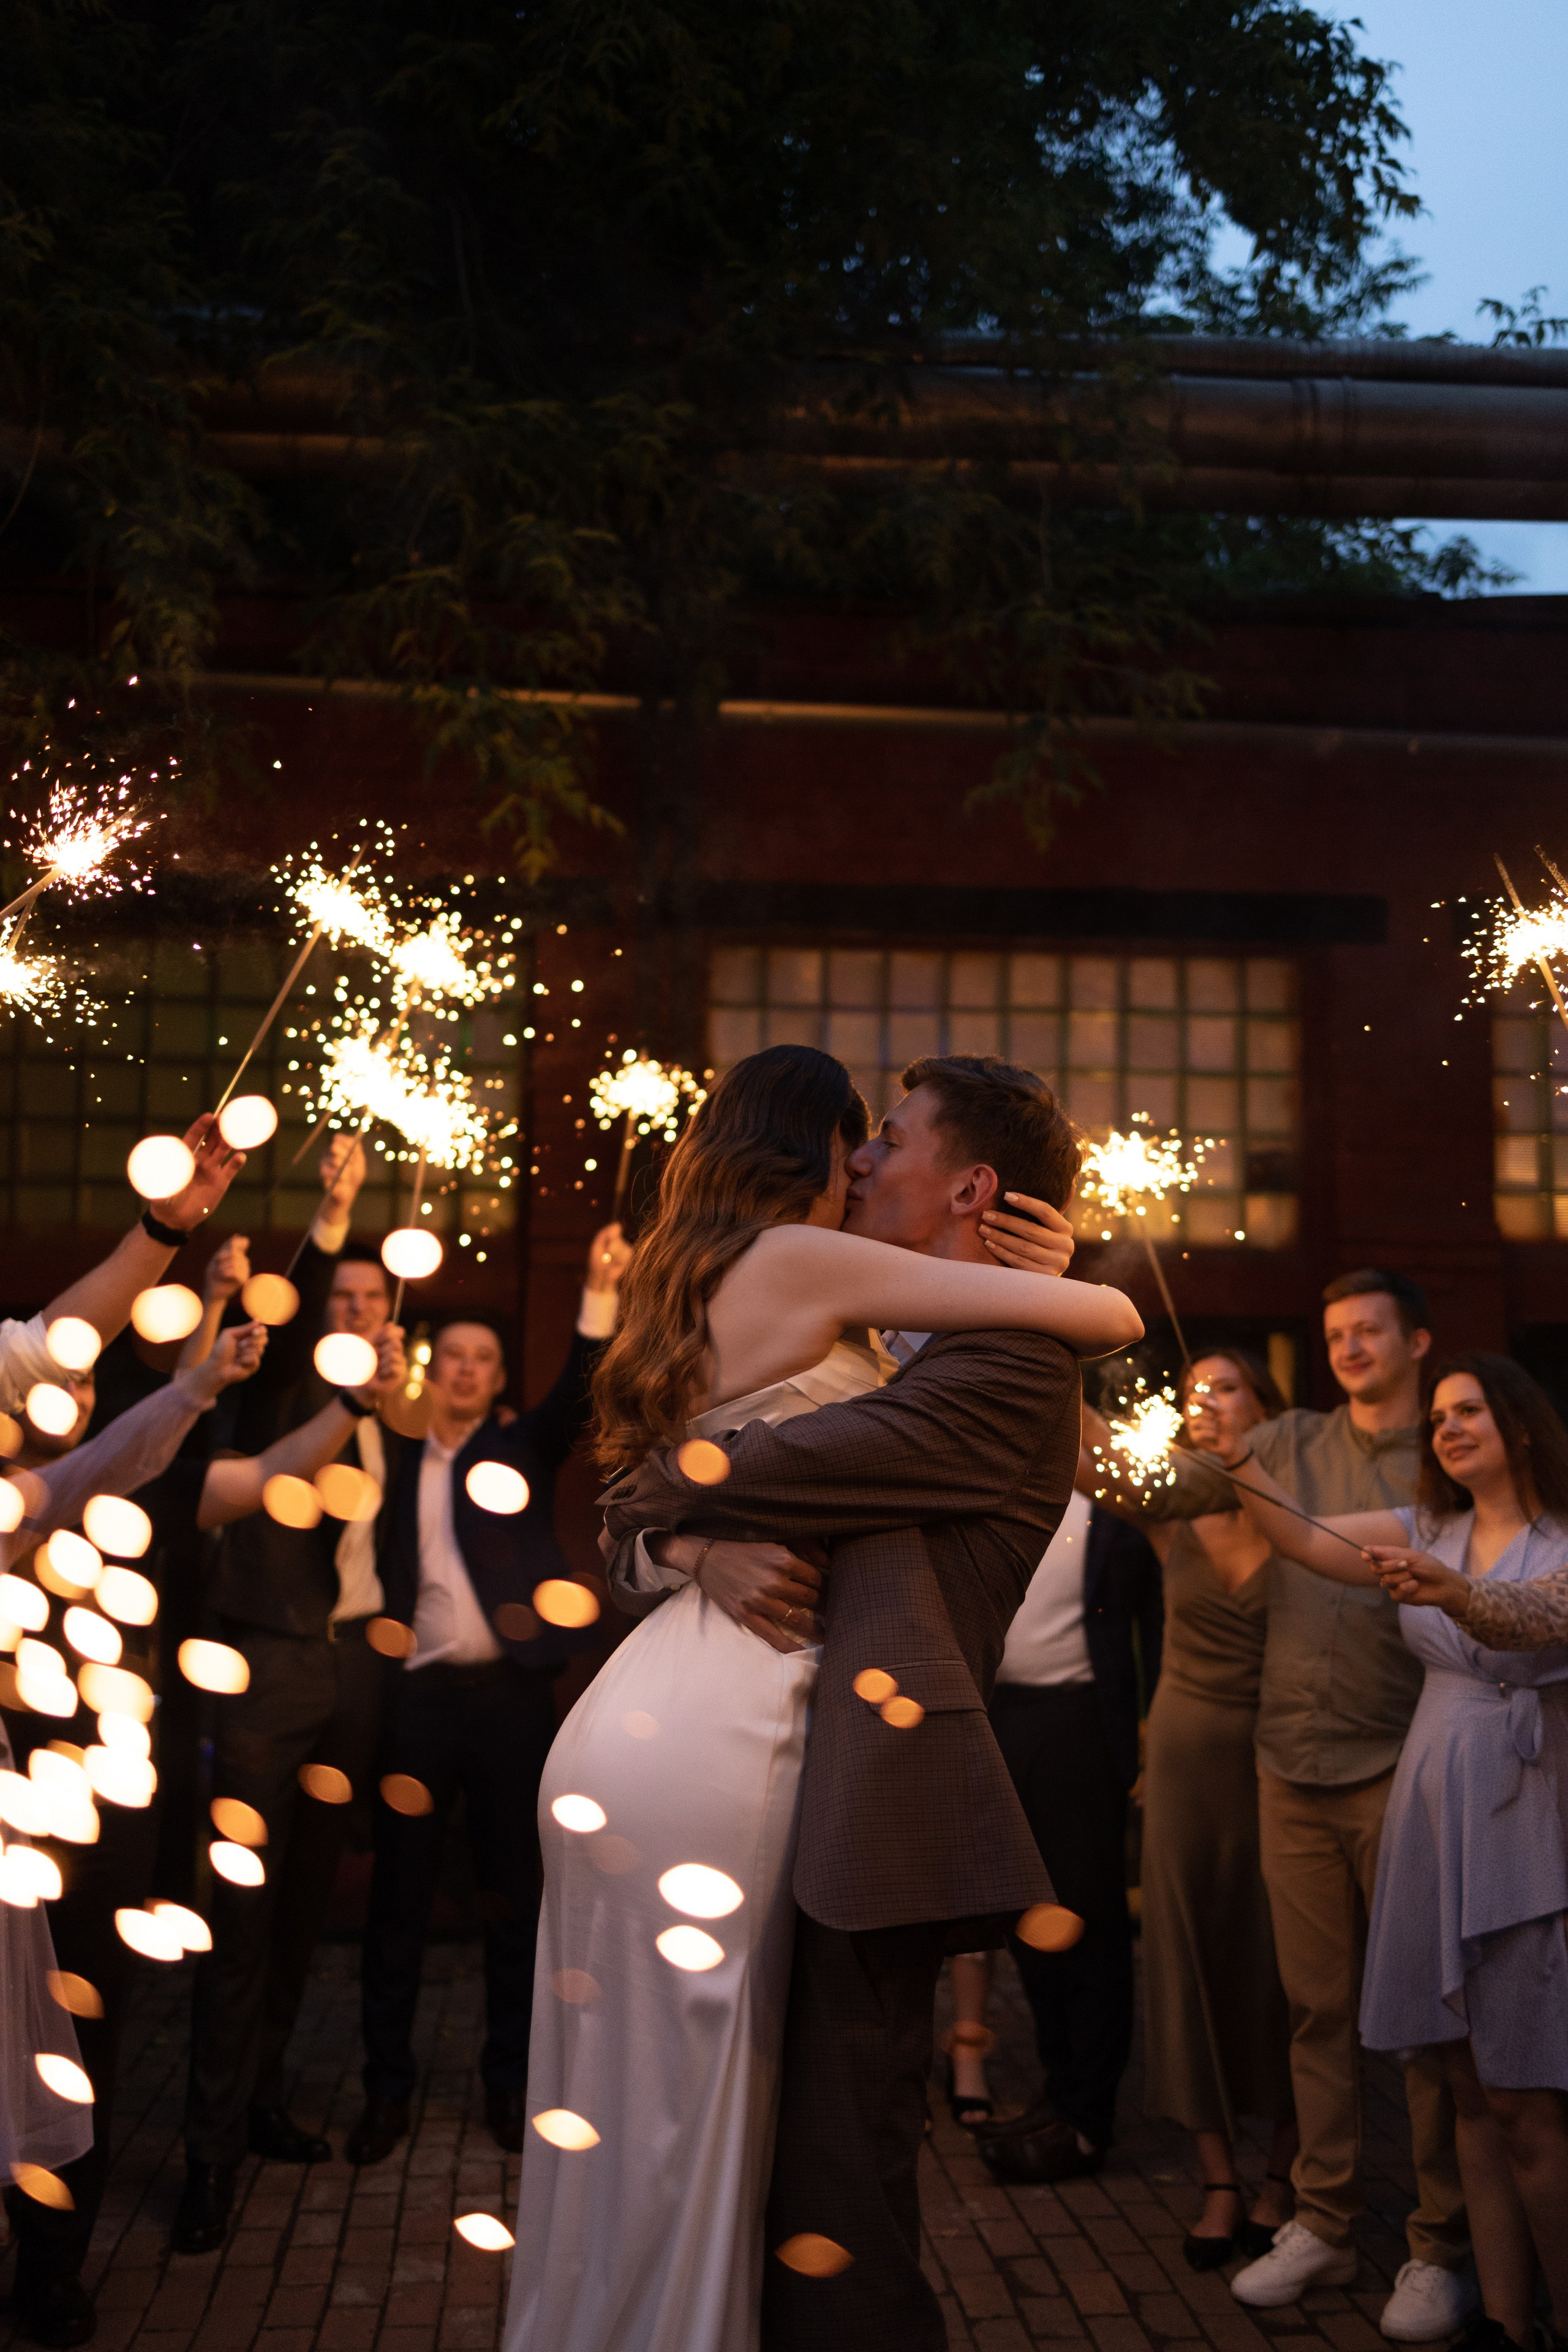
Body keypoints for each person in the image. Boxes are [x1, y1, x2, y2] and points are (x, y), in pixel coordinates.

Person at [508, 1046, 1141, 2352]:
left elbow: (663, 1486)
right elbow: (1114, 1318)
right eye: (860, 1136)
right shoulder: (817, 1270)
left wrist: (682, 1535)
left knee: (652, 2106)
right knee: (697, 2110)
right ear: (808, 1151)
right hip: (723, 1736)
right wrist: (1057, 1275)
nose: (867, 1160)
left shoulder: (783, 1293)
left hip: (669, 1716)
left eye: (891, 1137)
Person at [1133, 1270, 1471, 2334]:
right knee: (1315, 2011)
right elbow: (1153, 1488)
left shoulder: (1447, 1456)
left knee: (1423, 2022)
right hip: (1288, 1763)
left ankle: (1441, 2245)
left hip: (1397, 1763)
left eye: (1370, 1330)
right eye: (1335, 1334)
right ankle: (1323, 2221)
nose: (1351, 1347)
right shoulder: (1286, 1443)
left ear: (1418, 1342)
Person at [1229, 1353, 1568, 2352]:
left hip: (1524, 1810)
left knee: (1525, 2099)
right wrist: (1237, 1457)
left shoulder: (1560, 1540)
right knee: (1467, 2091)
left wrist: (1455, 1592)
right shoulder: (1428, 1525)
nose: (1448, 1428)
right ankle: (1504, 2321)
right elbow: (1303, 1538)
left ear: (1523, 1424)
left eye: (1470, 1411)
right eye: (1440, 1418)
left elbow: (1534, 1616)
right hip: (1433, 1801)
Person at [344, 1221, 630, 2169]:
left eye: (482, 1359)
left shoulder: (516, 1449)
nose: (465, 1369)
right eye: (453, 1357)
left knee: (514, 1900)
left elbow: (578, 1395)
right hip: (417, 1704)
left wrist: (598, 1291)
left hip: (510, 1701)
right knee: (398, 1899)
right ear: (433, 1371)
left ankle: (509, 2084)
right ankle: (385, 2090)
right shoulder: (390, 1455)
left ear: (499, 1380)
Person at [173, 1136, 412, 2254]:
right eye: (342, 1300)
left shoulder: (399, 1406)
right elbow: (306, 1290)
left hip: (350, 1669)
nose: (356, 1312)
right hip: (264, 1665)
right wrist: (335, 1208)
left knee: (310, 1901)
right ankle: (208, 2155)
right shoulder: (284, 1385)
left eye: (373, 1300)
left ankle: (262, 2096)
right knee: (241, 1912)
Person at [1085, 1349, 1297, 2266]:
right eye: (1193, 1393)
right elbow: (1089, 1458)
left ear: (1268, 1409)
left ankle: (1287, 2171)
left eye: (1225, 1388)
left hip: (1285, 1754)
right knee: (1188, 1946)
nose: (1204, 1403)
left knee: (1287, 1958)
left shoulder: (1304, 1509)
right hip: (1184, 1757)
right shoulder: (1169, 1508)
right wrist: (1052, 1347)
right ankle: (1218, 2179)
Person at [963, 1477, 1164, 2182]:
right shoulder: (989, 1499)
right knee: (1025, 1919)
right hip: (996, 1719)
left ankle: (1088, 2117)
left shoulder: (1113, 1508)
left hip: (1080, 1724)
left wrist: (1149, 1743)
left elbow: (1156, 1629)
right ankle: (1059, 2092)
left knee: (1088, 1917)